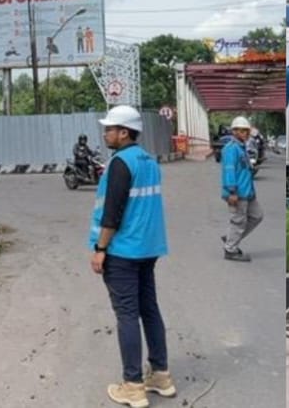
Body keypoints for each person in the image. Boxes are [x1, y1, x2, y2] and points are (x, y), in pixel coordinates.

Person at [89, 105, 175, 408]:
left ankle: (133, 385)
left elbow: (112, 213)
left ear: (124, 132)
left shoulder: (120, 164)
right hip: (148, 249)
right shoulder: (149, 161)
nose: (105, 133)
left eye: (110, 129)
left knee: (127, 315)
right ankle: (161, 376)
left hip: (123, 250)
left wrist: (100, 249)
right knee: (149, 309)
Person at [220, 116, 263, 261]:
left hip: (247, 192)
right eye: (242, 130)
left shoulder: (242, 147)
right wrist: (232, 192)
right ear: (234, 131)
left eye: (246, 131)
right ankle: (230, 250)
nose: (245, 133)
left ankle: (231, 237)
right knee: (238, 221)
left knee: (257, 216)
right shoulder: (231, 149)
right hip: (237, 192)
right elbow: (229, 171)